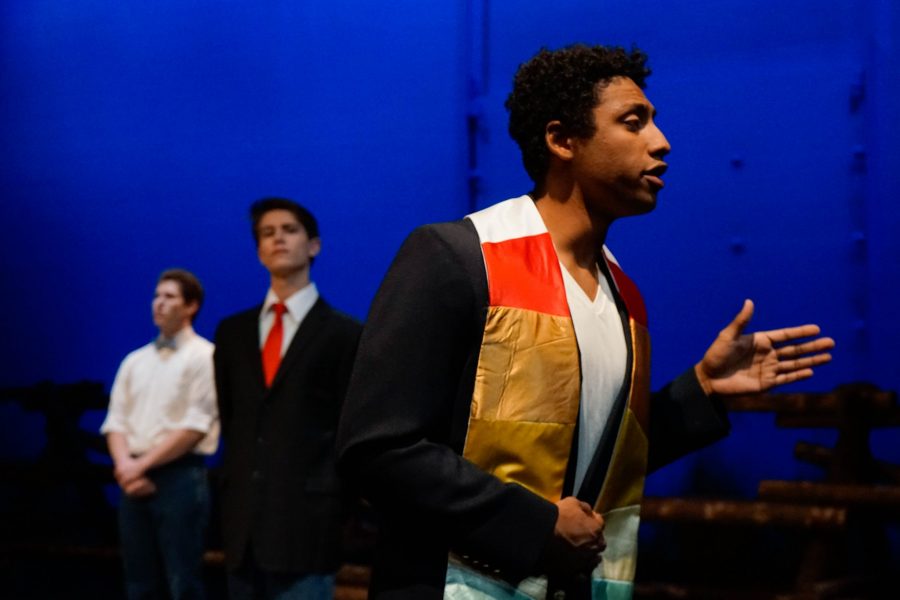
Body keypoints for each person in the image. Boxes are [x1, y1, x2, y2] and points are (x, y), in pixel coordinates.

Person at [336, 44, 835, 600]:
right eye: (633, 121)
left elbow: (591, 459)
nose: (661, 141)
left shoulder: (623, 295)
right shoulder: (457, 256)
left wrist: (703, 390)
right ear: (561, 140)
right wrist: (534, 526)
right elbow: (377, 449)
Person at [214, 197, 361, 599]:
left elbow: (350, 429)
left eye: (289, 230)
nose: (277, 238)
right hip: (242, 526)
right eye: (267, 233)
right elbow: (233, 421)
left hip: (308, 526)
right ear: (259, 251)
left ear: (314, 245)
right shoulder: (232, 333)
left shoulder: (345, 334)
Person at [102, 268, 219, 600]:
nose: (159, 303)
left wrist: (140, 467)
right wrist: (127, 466)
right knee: (138, 581)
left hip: (180, 476)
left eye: (169, 296)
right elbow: (116, 422)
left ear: (191, 305)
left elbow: (196, 425)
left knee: (184, 581)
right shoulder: (135, 361)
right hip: (132, 476)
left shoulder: (203, 357)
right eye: (157, 295)